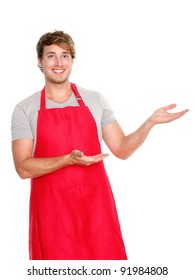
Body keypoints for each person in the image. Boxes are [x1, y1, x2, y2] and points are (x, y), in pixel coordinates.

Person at [11, 30, 188, 260]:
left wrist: (149, 123)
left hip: (96, 211)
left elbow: (121, 149)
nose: (58, 62)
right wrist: (68, 159)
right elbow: (23, 168)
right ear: (39, 61)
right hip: (52, 214)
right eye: (51, 55)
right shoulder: (25, 108)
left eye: (65, 55)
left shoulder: (95, 100)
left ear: (72, 60)